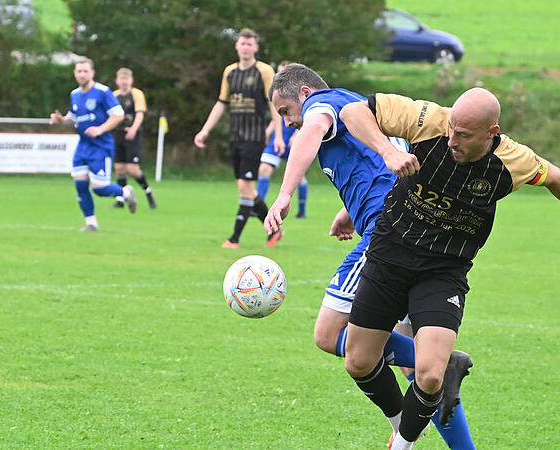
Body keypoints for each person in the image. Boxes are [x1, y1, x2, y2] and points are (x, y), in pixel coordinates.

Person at [336, 88, 560, 449]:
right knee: (358, 361)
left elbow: (554, 176)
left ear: (491, 133)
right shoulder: (429, 119)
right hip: (389, 257)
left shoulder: (514, 159)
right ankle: (405, 423)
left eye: (463, 134)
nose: (452, 140)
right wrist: (388, 150)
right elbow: (353, 112)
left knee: (430, 374)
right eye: (451, 129)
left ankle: (403, 443)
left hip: (443, 270)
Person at [263, 63, 476, 449]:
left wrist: (284, 194)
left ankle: (405, 424)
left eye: (285, 112)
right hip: (413, 229)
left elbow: (310, 129)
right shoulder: (359, 107)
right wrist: (350, 208)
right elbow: (390, 158)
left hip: (386, 235)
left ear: (305, 94)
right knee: (418, 369)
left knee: (329, 335)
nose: (288, 122)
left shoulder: (323, 105)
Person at [194, 28, 283, 248]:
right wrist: (205, 130)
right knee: (246, 189)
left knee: (245, 188)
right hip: (235, 138)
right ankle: (275, 229)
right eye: (242, 43)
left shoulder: (264, 71)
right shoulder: (229, 72)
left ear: (256, 47)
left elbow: (274, 103)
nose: (246, 47)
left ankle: (234, 238)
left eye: (250, 44)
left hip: (254, 138)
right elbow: (221, 103)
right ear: (237, 46)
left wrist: (278, 135)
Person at [50, 59, 137, 231]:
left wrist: (100, 129)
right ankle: (91, 223)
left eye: (85, 71)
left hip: (101, 146)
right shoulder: (75, 94)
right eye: (79, 71)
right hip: (83, 146)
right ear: (75, 73)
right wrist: (61, 120)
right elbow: (73, 118)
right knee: (80, 184)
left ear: (92, 73)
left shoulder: (102, 92)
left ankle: (126, 192)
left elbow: (118, 115)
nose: (82, 74)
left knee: (100, 188)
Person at [256, 61, 308, 219]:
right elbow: (278, 115)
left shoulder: (300, 95)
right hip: (278, 137)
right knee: (264, 169)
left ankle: (301, 211)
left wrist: (297, 135)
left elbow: (308, 117)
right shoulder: (277, 94)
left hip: (293, 137)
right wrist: (269, 131)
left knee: (298, 177)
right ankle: (258, 207)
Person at [111, 67, 157, 210]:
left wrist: (133, 129)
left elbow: (140, 113)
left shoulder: (136, 94)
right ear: (117, 81)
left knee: (132, 168)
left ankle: (148, 191)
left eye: (127, 79)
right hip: (117, 133)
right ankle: (120, 199)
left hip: (132, 134)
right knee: (119, 167)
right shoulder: (114, 95)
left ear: (131, 80)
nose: (124, 82)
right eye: (121, 79)